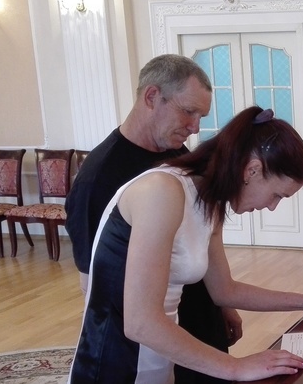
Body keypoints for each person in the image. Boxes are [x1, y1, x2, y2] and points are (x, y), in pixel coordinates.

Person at [69, 106, 303, 383]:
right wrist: (235, 367)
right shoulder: (162, 191)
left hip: (158, 358)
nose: (272, 207)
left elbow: (224, 290)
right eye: (277, 195)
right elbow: (140, 322)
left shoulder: (207, 200)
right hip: (114, 365)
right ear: (252, 170)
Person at [65, 54, 242, 383]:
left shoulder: (179, 155)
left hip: (197, 319)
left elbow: (200, 234)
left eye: (200, 116)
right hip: (151, 345)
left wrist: (223, 305)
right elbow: (94, 285)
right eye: (188, 111)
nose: (195, 127)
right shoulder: (100, 178)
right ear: (151, 97)